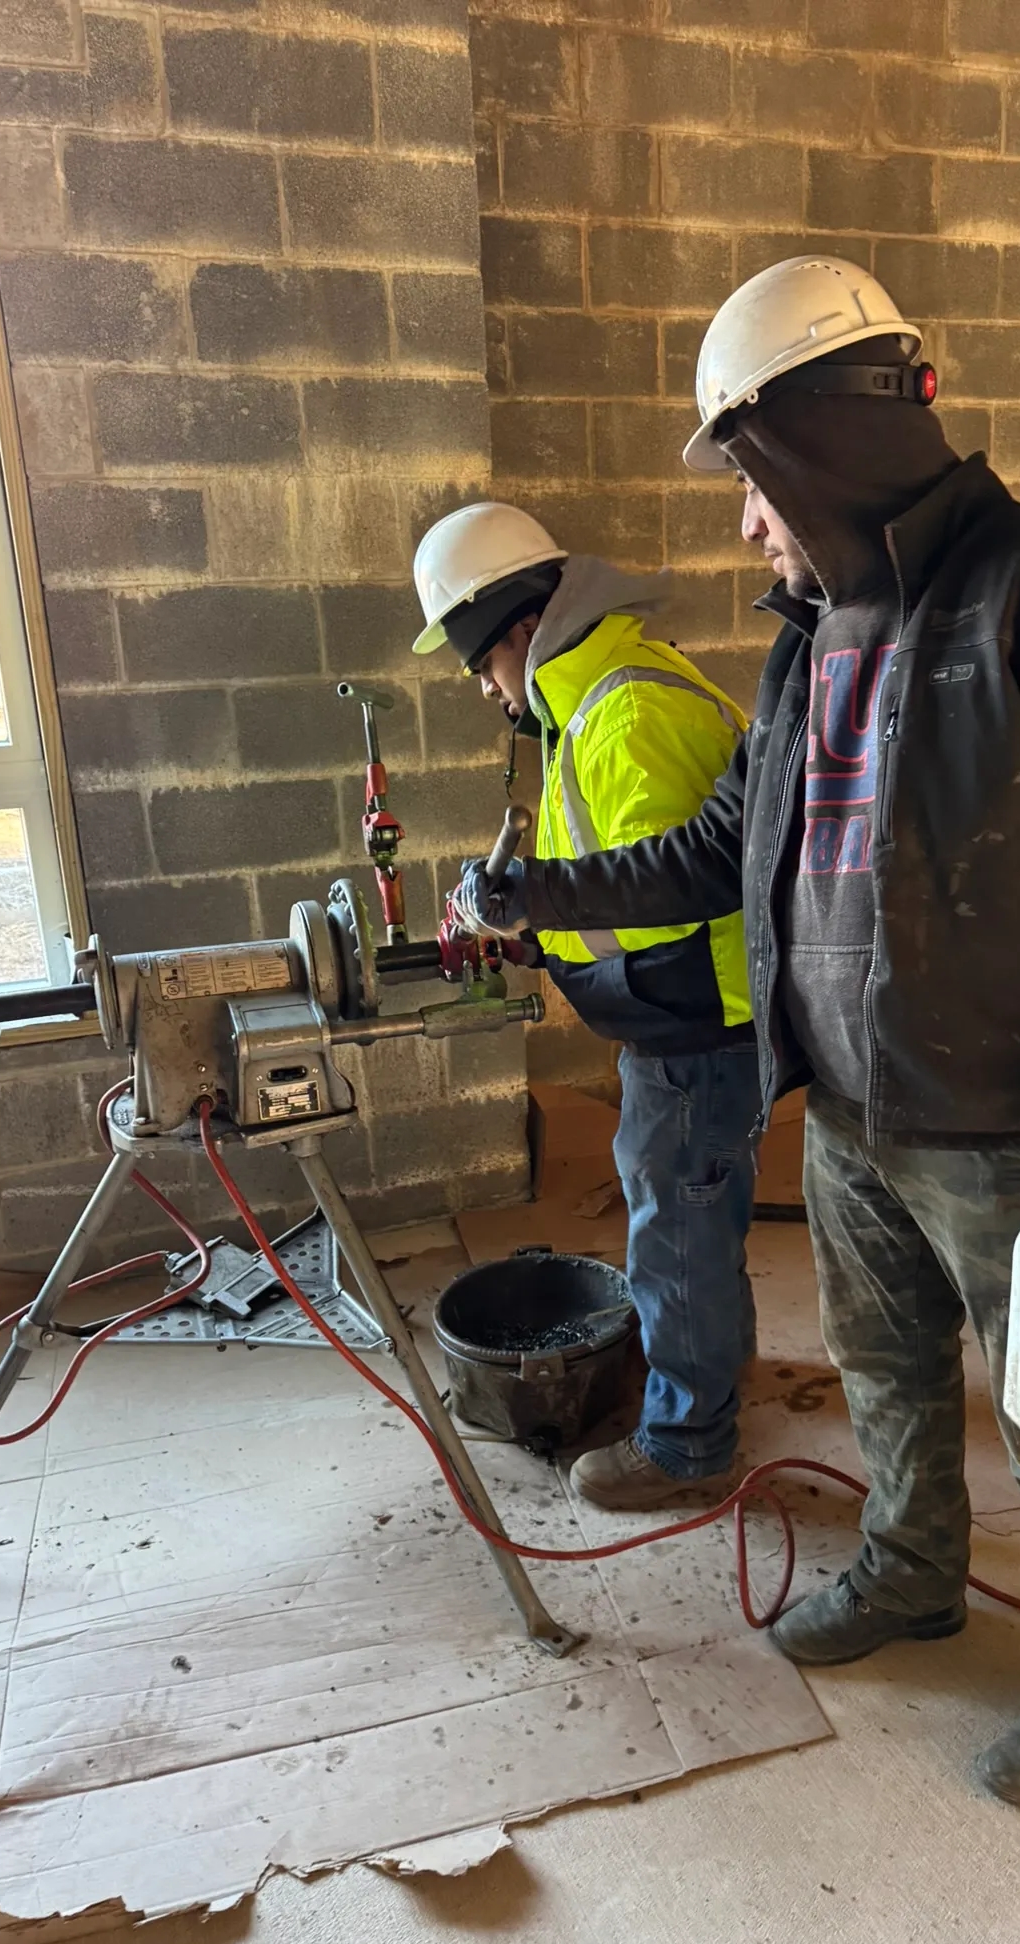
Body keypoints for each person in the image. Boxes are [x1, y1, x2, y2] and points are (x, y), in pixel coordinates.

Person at [450, 259, 1020, 1809]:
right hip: (848, 1113)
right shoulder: (811, 642)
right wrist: (527, 890)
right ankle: (909, 1574)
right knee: (887, 1379)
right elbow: (710, 850)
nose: (748, 522)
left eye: (749, 481)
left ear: (816, 439)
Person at [414, 502, 761, 1507]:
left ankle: (689, 1442)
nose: (484, 687)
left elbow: (676, 885)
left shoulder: (627, 710)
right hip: (680, 1016)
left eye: (479, 662)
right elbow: (622, 892)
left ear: (516, 627)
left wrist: (537, 902)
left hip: (696, 1029)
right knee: (697, 1217)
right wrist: (534, 932)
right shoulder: (597, 700)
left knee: (676, 1230)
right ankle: (715, 1372)